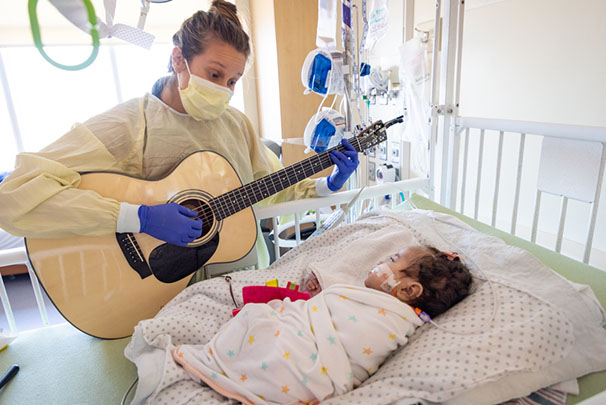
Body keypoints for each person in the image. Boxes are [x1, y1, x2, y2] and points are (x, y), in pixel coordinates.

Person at [0, 0, 358, 270]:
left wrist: (330, 182)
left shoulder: (237, 125)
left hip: (238, 270)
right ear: (178, 59)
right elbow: (13, 198)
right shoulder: (129, 124)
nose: (224, 89)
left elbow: (273, 190)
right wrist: (138, 217)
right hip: (152, 285)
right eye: (215, 74)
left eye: (233, 81)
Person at [169, 246, 472, 404]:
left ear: (407, 290)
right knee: (266, 315)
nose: (383, 261)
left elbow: (340, 335)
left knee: (257, 318)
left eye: (393, 260)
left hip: (306, 366)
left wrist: (299, 311)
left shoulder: (392, 321)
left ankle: (234, 368)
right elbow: (322, 312)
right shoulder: (376, 303)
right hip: (306, 354)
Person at [304, 245, 471, 318]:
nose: (380, 263)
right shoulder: (370, 298)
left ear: (407, 290)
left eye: (392, 259)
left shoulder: (384, 317)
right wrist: (316, 298)